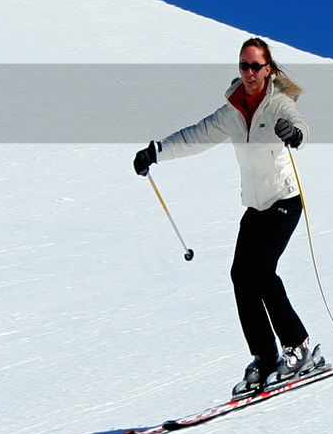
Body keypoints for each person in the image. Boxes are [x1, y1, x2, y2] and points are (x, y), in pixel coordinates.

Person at [132, 37, 323, 397]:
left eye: (255, 66)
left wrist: (294, 134)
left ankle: (297, 347)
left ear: (268, 70)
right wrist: (156, 152)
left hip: (284, 201)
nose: (249, 73)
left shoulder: (278, 104)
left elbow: (301, 127)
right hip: (255, 206)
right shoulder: (232, 111)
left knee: (263, 273)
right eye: (243, 66)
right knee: (241, 276)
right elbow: (196, 135)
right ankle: (266, 357)